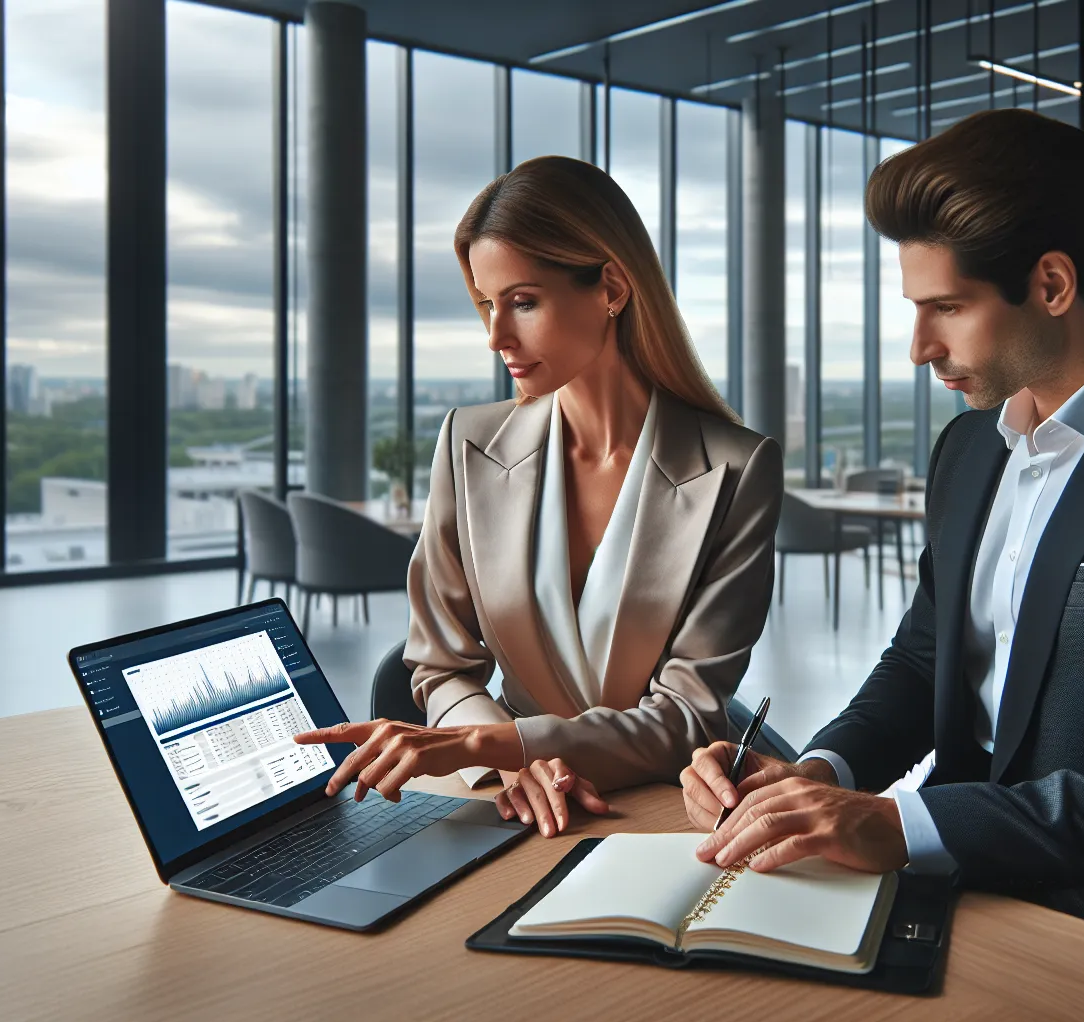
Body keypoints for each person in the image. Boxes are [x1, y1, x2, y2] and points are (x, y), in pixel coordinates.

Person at [680, 109, 1084, 989]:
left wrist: (902, 825)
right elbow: (924, 658)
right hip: (946, 903)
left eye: (947, 307)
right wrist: (816, 773)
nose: (919, 347)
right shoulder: (970, 448)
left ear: (1052, 283)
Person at [297, 156, 782, 842]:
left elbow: (688, 718)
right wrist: (510, 760)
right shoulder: (470, 443)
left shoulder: (736, 469)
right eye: (487, 305)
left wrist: (500, 745)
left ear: (610, 286)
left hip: (660, 818)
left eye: (523, 302)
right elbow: (440, 664)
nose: (496, 337)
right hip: (517, 812)